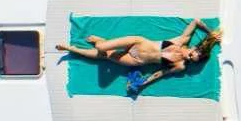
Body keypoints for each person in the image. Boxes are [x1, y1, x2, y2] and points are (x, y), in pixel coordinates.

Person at [58, 19, 220, 96]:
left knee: (103, 57)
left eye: (192, 60)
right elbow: (196, 22)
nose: (190, 58)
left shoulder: (180, 66)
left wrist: (142, 84)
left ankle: (70, 48)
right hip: (138, 42)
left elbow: (160, 74)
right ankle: (100, 41)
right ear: (193, 48)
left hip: (136, 60)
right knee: (100, 47)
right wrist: (210, 32)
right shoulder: (182, 41)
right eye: (192, 55)